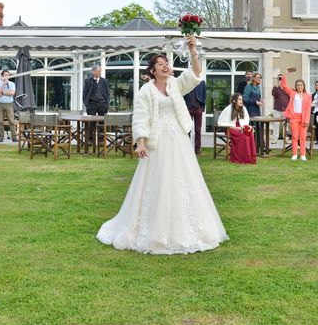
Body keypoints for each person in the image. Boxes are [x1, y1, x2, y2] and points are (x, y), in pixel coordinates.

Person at [96, 37, 228, 254]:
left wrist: (193, 49)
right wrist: (140, 142)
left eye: (167, 63)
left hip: (179, 140)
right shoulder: (146, 91)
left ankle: (188, 228)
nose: (166, 66)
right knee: (158, 180)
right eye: (160, 64)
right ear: (153, 70)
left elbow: (195, 74)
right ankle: (153, 229)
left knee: (184, 179)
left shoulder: (175, 84)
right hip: (158, 142)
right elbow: (140, 118)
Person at [217, 93, 256, 164]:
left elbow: (246, 120)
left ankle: (248, 157)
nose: (241, 101)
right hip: (230, 129)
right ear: (234, 101)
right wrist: (234, 127)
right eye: (239, 100)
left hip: (240, 128)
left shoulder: (243, 108)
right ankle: (239, 157)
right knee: (243, 136)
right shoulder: (228, 109)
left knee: (250, 134)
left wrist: (245, 127)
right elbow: (220, 122)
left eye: (242, 100)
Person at [281, 73, 312, 161]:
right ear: (296, 86)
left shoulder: (308, 96)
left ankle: (303, 155)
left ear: (303, 86)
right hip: (294, 117)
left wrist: (306, 120)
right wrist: (284, 75)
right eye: (298, 85)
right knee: (295, 137)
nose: (299, 86)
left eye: (301, 85)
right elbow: (284, 86)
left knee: (303, 137)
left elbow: (308, 109)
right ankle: (294, 154)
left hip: (303, 118)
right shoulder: (292, 93)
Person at [0, 69, 18, 143]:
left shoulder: (12, 84)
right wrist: (4, 84)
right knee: (0, 121)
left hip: (9, 104)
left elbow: (12, 93)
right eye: (5, 75)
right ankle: (1, 137)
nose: (7, 77)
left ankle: (14, 137)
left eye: (8, 75)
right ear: (2, 76)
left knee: (11, 120)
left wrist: (3, 92)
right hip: (0, 104)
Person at [183, 80, 206, 155]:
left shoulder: (202, 82)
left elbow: (204, 96)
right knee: (187, 129)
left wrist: (202, 108)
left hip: (198, 108)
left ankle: (197, 149)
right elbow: (182, 95)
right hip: (188, 108)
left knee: (198, 130)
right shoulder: (186, 82)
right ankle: (187, 148)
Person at [243, 73, 264, 152]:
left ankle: (258, 147)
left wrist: (260, 101)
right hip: (250, 110)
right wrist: (255, 102)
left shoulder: (258, 87)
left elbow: (258, 99)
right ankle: (250, 147)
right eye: (258, 77)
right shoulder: (248, 86)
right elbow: (245, 98)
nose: (259, 79)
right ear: (253, 78)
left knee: (258, 128)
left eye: (260, 77)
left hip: (257, 111)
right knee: (252, 128)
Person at [271, 74, 289, 143]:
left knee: (285, 125)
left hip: (285, 110)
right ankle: (275, 139)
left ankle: (285, 138)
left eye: (282, 79)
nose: (281, 80)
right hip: (277, 109)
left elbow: (289, 98)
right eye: (279, 78)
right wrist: (278, 84)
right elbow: (273, 94)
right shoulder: (275, 88)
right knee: (276, 124)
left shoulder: (286, 89)